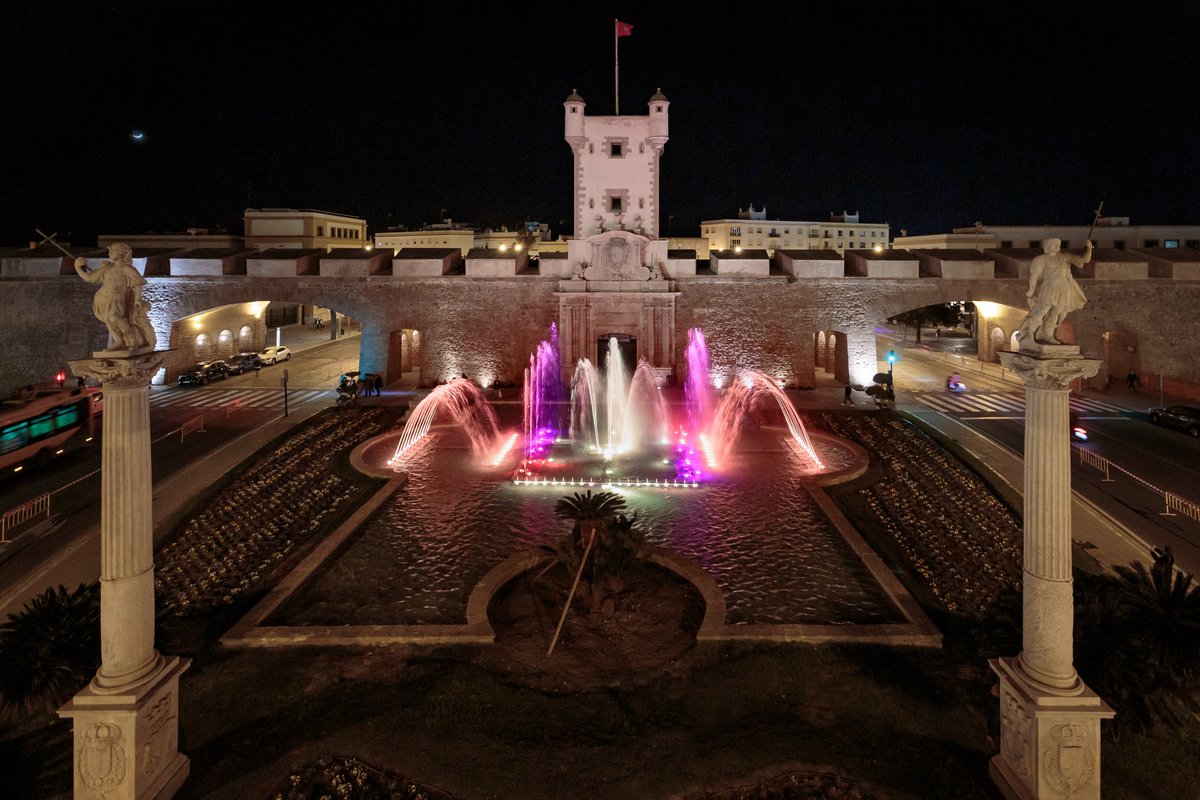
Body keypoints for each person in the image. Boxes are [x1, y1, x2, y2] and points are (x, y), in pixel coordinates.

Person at [74, 243, 156, 351]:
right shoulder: (107, 269)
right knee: (110, 322)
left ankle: (133, 340)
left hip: (116, 300)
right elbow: (89, 278)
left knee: (115, 318)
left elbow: (138, 283)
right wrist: (77, 267)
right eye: (110, 251)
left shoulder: (127, 268)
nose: (110, 253)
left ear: (122, 253)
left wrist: (137, 299)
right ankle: (119, 341)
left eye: (113, 251)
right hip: (101, 299)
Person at [1016, 238, 1091, 346]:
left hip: (1063, 289)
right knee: (1042, 310)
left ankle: (1048, 334)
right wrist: (1031, 290)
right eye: (1054, 244)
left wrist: (1089, 248)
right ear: (1047, 246)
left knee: (1056, 312)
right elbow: (1034, 276)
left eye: (1058, 244)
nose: (1057, 246)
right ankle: (1029, 332)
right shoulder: (1041, 259)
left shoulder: (1064, 257)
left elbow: (1084, 260)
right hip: (1049, 288)